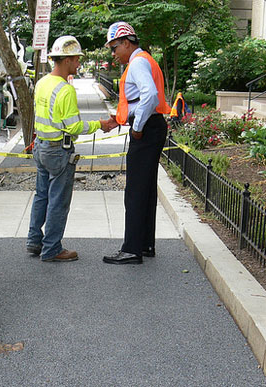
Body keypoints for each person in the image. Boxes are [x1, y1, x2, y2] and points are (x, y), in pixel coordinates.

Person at [27, 35, 118, 262]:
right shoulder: (65, 90)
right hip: (59, 151)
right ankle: (52, 249)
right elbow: (73, 126)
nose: (78, 64)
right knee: (58, 201)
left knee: (41, 196)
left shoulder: (41, 83)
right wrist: (100, 124)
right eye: (77, 59)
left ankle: (34, 240)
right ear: (66, 60)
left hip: (40, 147)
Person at [102, 22, 171, 265]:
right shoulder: (145, 60)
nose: (113, 53)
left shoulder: (138, 63)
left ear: (127, 43)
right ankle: (145, 244)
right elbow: (140, 99)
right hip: (154, 127)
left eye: (115, 47)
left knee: (135, 191)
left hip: (147, 129)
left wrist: (138, 126)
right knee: (146, 189)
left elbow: (150, 96)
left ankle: (132, 249)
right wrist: (122, 118)